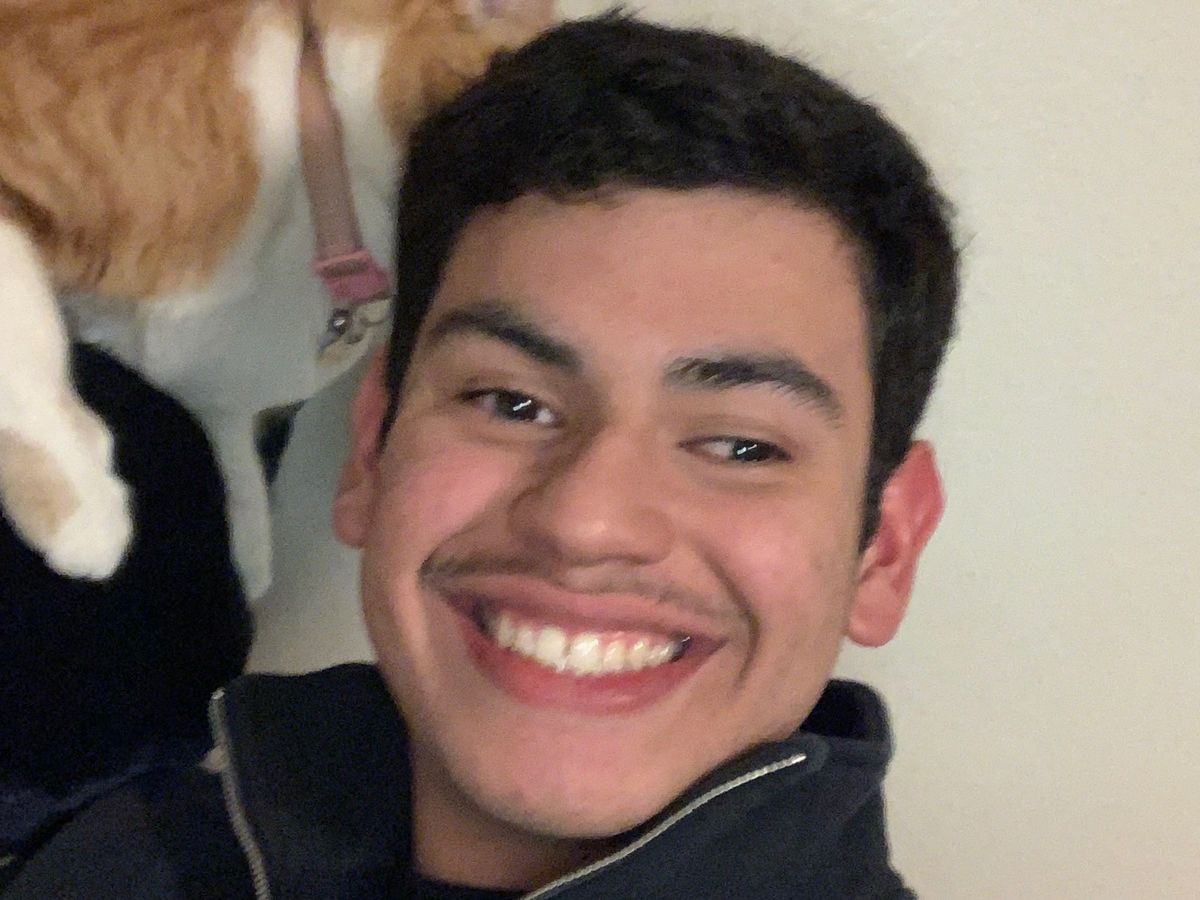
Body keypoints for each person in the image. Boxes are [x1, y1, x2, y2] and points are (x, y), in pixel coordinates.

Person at [2, 13, 958, 899]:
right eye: (513, 403)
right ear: (371, 450)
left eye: (742, 446)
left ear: (886, 550)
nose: (585, 521)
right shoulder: (109, 856)